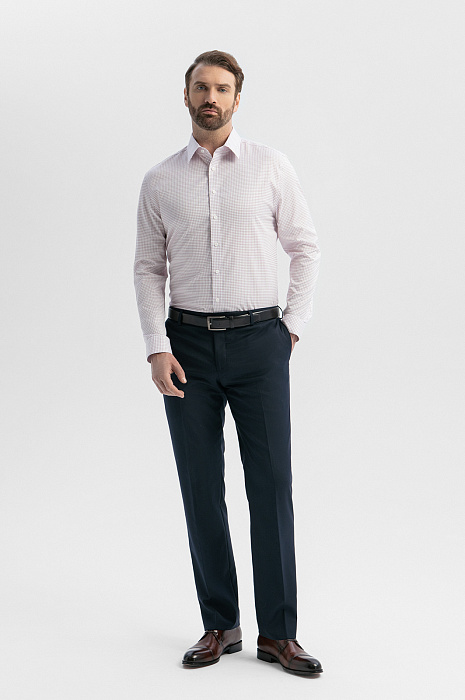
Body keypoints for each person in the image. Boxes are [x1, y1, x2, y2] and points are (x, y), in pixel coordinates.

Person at [133, 49, 323, 676]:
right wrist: (156, 344)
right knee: (200, 487)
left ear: (238, 98)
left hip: (259, 342)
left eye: (221, 88)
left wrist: (290, 328)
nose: (210, 98)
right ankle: (220, 623)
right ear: (186, 96)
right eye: (200, 87)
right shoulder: (160, 180)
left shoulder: (271, 166)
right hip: (186, 348)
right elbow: (148, 267)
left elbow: (305, 247)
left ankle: (279, 634)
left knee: (271, 486)